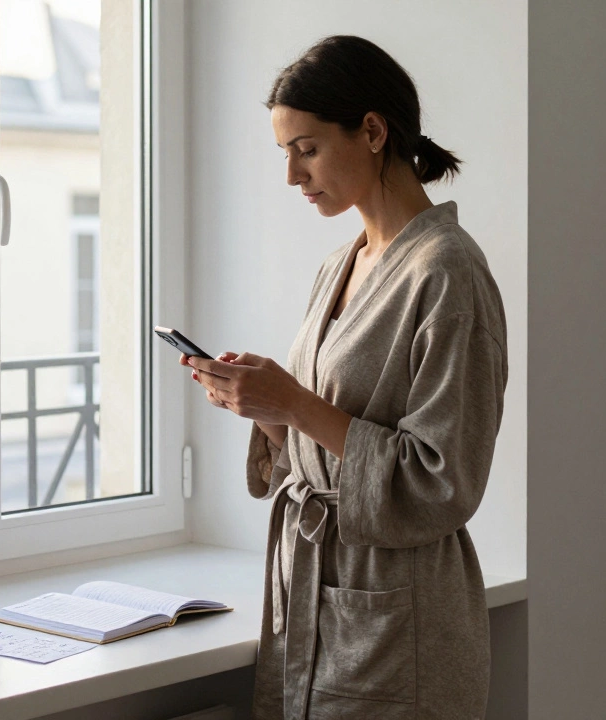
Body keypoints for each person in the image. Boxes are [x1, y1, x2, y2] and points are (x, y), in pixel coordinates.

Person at [181, 35, 508, 719]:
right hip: (314, 599)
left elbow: (443, 480)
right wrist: (265, 408)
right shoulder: (342, 263)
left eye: (307, 149)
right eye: (285, 155)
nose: (293, 177)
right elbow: (325, 432)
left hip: (400, 618)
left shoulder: (448, 273)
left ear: (371, 130)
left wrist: (295, 404)